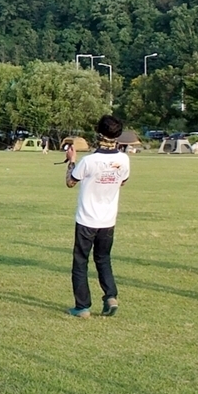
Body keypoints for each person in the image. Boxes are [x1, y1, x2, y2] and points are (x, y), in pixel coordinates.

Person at [65, 115, 131, 319]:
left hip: (87, 219)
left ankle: (82, 306)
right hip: (108, 220)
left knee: (81, 261)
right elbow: (122, 182)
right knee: (103, 259)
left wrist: (71, 161)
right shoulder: (123, 159)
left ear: (99, 133)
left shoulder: (89, 161)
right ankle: (110, 296)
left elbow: (70, 182)